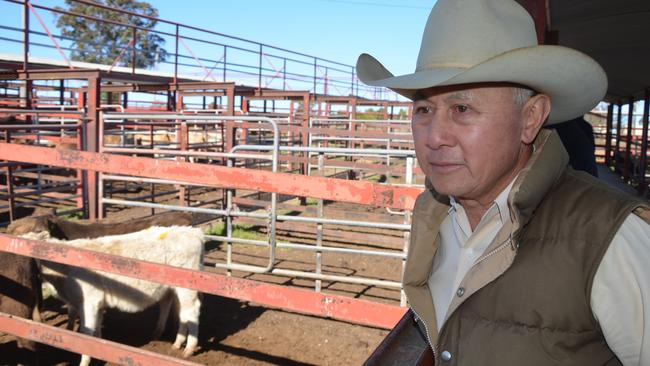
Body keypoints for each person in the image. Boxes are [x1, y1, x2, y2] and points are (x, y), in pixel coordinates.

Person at [356, 0, 650, 365]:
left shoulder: (611, 237)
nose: (434, 137)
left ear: (530, 119)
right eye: (424, 109)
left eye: (462, 109)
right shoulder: (436, 216)